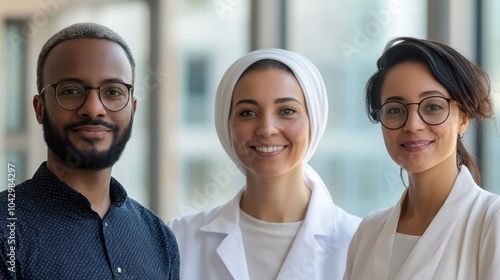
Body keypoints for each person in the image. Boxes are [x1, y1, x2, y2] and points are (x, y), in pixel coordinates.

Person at [0, 22, 179, 279]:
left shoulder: (159, 238)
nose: (94, 108)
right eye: (71, 91)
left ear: (133, 109)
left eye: (113, 92)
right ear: (40, 109)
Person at [168, 48, 361, 280]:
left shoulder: (359, 241)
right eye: (247, 112)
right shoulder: (178, 238)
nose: (267, 129)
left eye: (287, 111)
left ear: (314, 121)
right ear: (225, 124)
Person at [344, 37, 500, 279]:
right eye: (395, 110)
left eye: (433, 107)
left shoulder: (492, 222)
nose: (413, 125)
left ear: (463, 118)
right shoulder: (369, 230)